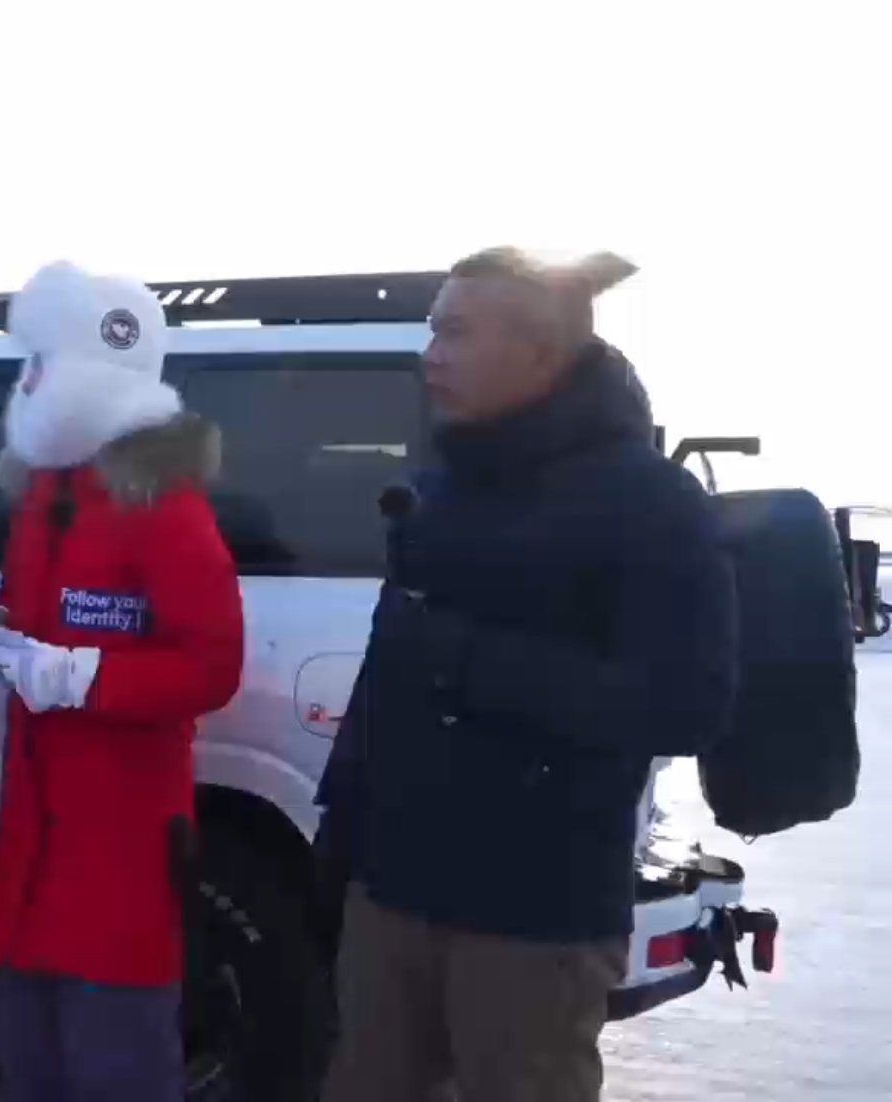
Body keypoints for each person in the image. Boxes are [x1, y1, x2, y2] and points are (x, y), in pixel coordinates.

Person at [314, 247, 738, 1102]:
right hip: (392, 891)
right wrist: (341, 831)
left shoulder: (649, 502)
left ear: (540, 353)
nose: (431, 356)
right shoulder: (440, 485)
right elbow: (393, 664)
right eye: (433, 331)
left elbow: (684, 706)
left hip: (532, 916)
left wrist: (467, 660)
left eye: (455, 333)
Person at [0, 260, 247, 1101]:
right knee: (24, 1055)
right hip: (31, 850)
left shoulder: (162, 506)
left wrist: (82, 676)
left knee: (116, 1064)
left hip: (118, 857)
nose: (27, 383)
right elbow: (29, 604)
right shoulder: (43, 495)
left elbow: (211, 664)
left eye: (40, 363)